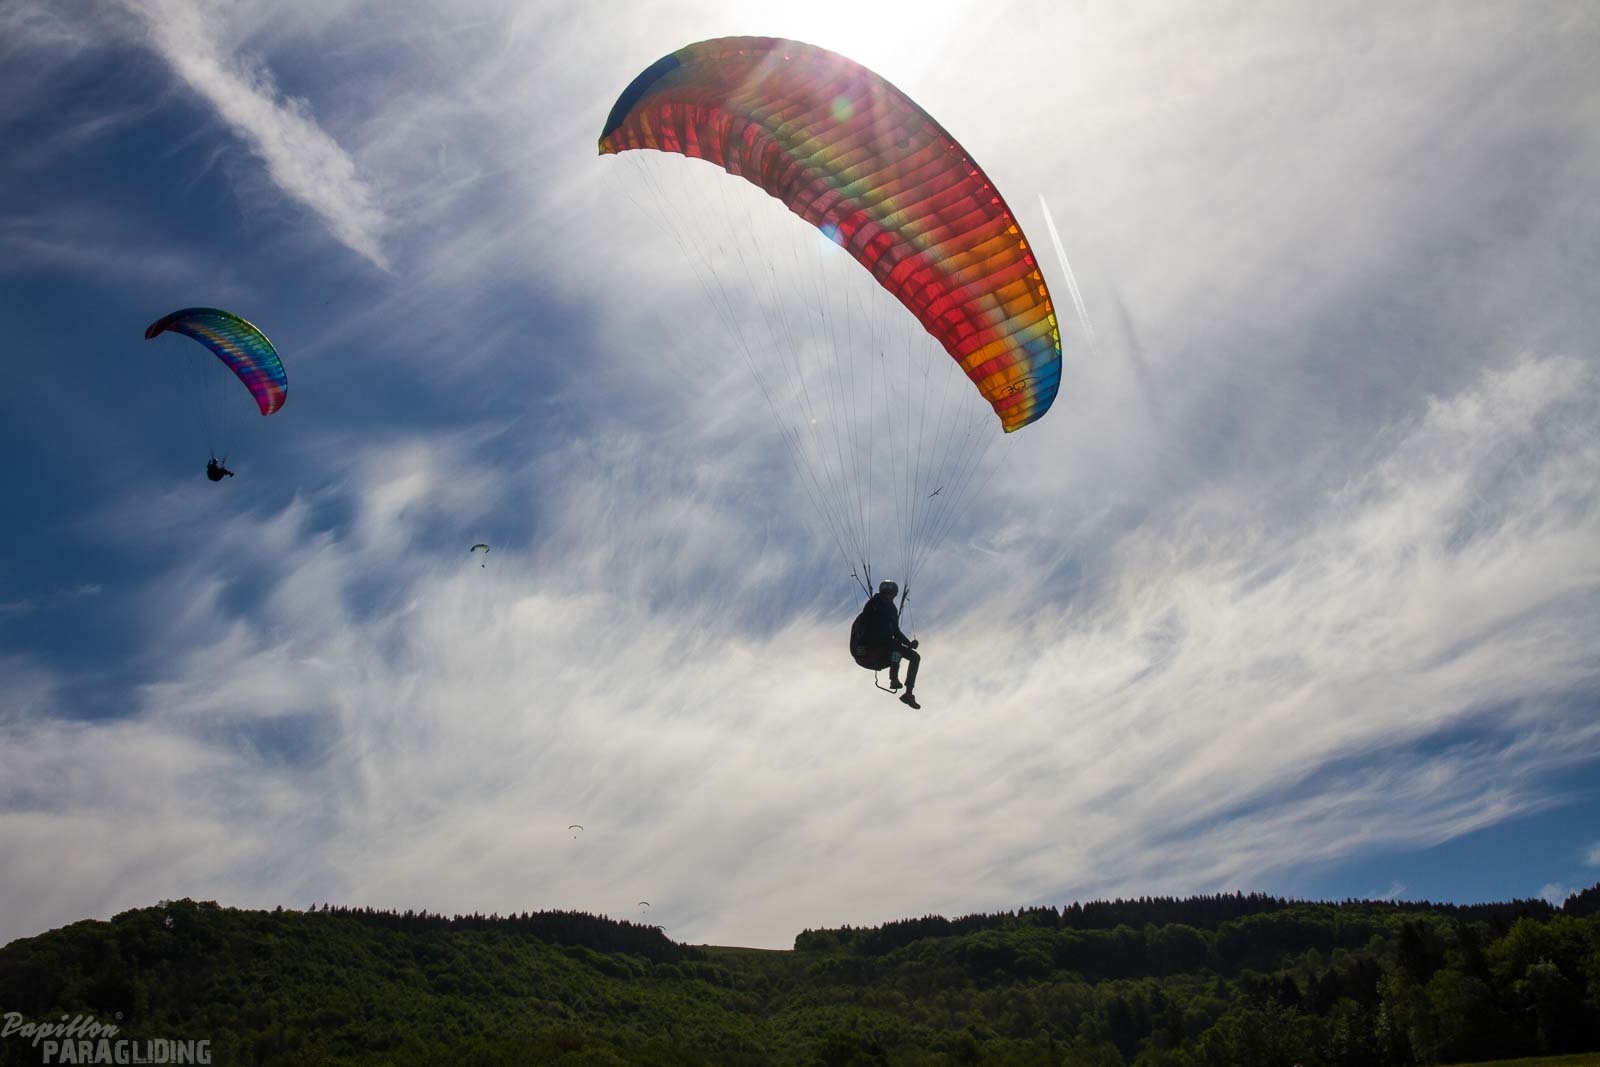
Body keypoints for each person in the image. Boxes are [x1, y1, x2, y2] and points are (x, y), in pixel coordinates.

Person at [852, 579, 921, 708]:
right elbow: (864, 623)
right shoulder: (874, 603)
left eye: (890, 595)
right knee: (897, 648)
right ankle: (894, 679)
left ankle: (908, 693)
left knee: (914, 657)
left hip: (883, 650)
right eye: (888, 594)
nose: (889, 597)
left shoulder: (891, 608)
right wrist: (861, 645)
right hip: (870, 647)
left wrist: (909, 644)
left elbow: (896, 632)